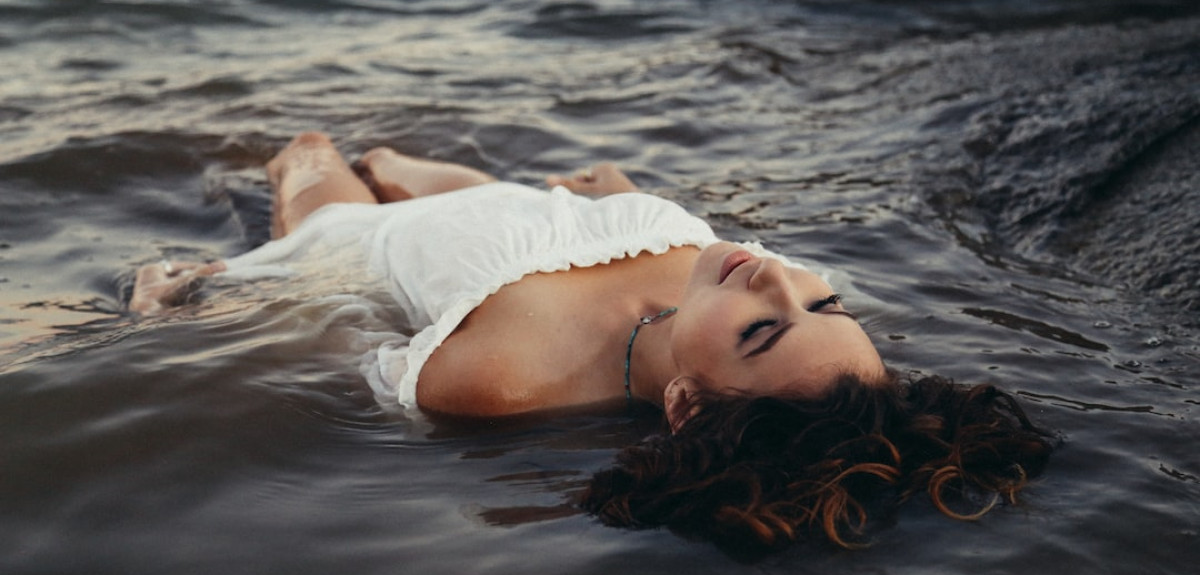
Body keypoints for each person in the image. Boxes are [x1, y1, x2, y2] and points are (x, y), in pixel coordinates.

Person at [131, 132, 1055, 553]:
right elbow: (737, 267)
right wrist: (625, 193)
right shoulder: (753, 279)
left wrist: (197, 308)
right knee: (394, 161)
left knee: (314, 150)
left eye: (766, 329)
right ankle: (395, 170)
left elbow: (335, 324)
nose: (779, 280)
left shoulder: (505, 382)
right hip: (512, 204)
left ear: (686, 404)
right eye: (828, 302)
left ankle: (348, 176)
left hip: (366, 250)